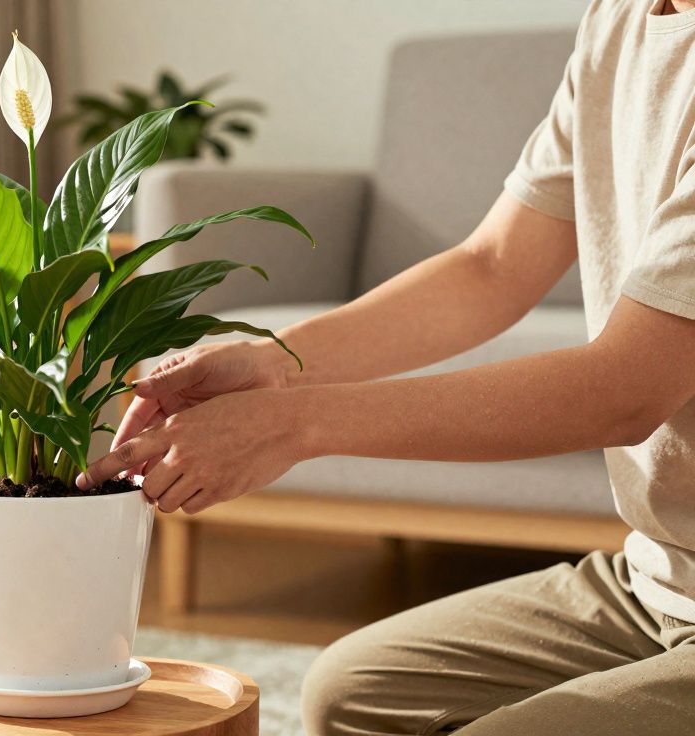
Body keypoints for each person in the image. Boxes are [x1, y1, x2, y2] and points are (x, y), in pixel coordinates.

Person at [77, 0, 695, 733]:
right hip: (660, 580)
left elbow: (622, 390)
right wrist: (274, 364)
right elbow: (491, 266)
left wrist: (294, 426)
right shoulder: (622, 19)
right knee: (351, 692)